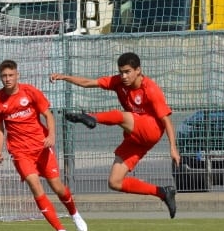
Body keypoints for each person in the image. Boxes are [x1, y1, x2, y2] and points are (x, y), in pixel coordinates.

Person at [53, 52, 180, 217]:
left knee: (122, 116)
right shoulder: (118, 82)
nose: (124, 76)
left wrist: (173, 148)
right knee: (115, 181)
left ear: (138, 70)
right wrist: (64, 77)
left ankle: (91, 117)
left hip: (151, 130)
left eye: (127, 72)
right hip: (135, 136)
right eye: (121, 72)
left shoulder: (150, 89)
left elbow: (167, 120)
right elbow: (88, 83)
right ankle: (163, 192)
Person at [0, 60, 84, 231]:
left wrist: (52, 135)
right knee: (34, 185)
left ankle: (74, 213)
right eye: (4, 76)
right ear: (0, 77)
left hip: (41, 147)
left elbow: (48, 115)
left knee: (57, 187)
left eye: (10, 75)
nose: (7, 79)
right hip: (20, 151)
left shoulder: (30, 92)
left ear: (17, 75)